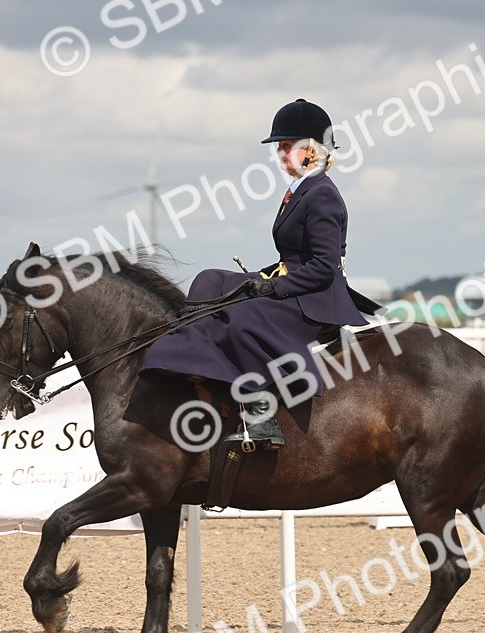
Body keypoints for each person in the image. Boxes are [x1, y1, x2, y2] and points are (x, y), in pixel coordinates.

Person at [142, 99, 376, 449]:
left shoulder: (323, 195)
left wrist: (271, 287)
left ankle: (260, 414)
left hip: (315, 300)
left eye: (286, 147)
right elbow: (295, 255)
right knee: (211, 280)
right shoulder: (298, 192)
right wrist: (260, 278)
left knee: (241, 318)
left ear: (311, 150)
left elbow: (323, 268)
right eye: (279, 149)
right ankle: (183, 360)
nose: (280, 155)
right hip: (293, 284)